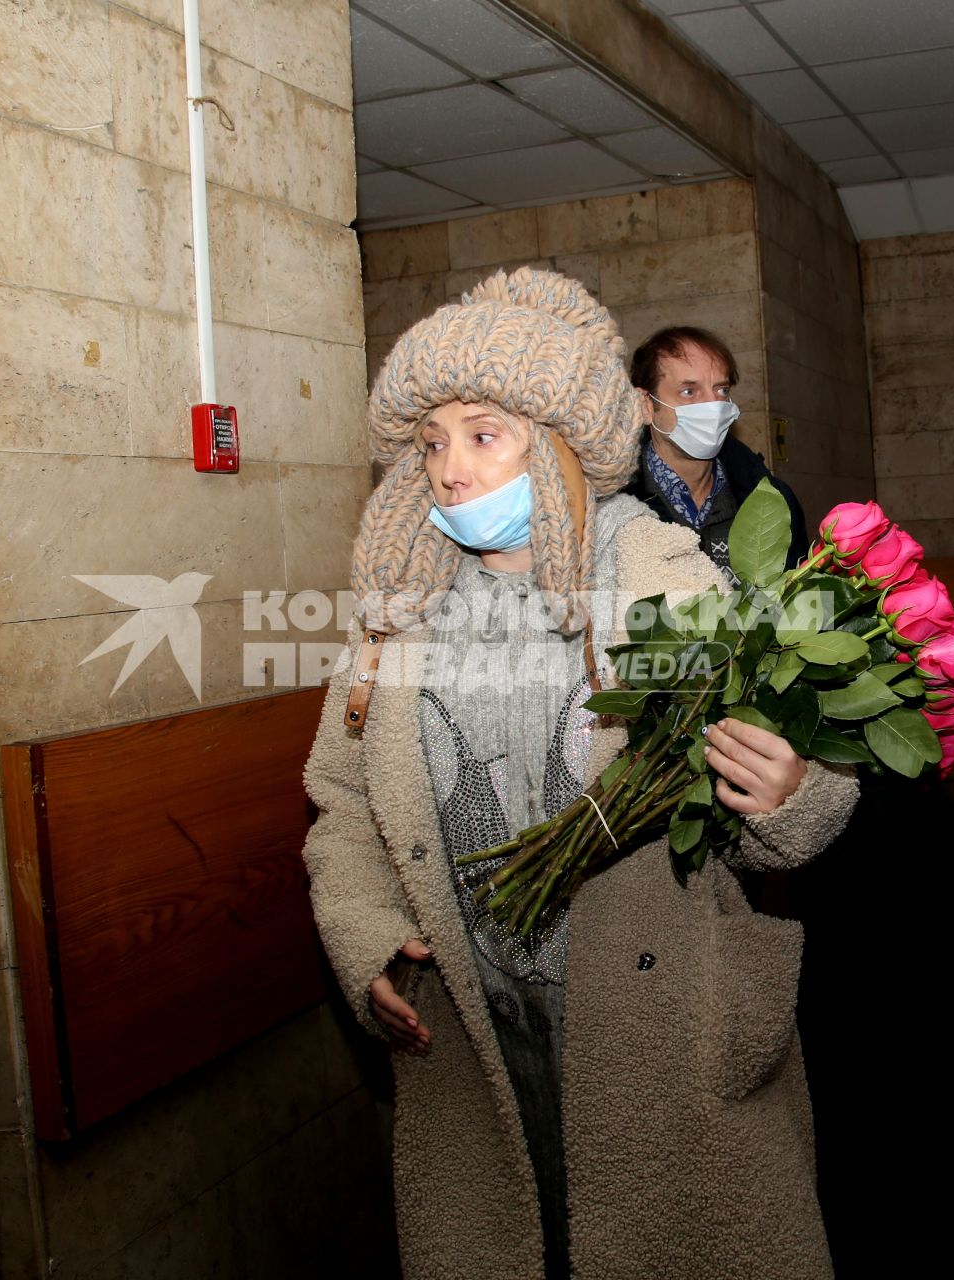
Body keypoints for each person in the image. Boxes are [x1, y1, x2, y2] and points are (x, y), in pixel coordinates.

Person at [302, 269, 856, 1280]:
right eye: (431, 442)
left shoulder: (660, 570)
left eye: (483, 434)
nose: (448, 469)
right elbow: (340, 801)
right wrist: (367, 931)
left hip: (663, 1029)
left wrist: (788, 790)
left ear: (557, 440)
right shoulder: (397, 605)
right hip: (478, 1033)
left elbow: (784, 783)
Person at [625, 325, 809, 575]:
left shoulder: (771, 500)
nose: (712, 406)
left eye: (721, 390)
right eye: (689, 392)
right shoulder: (616, 508)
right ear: (646, 405)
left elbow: (798, 603)